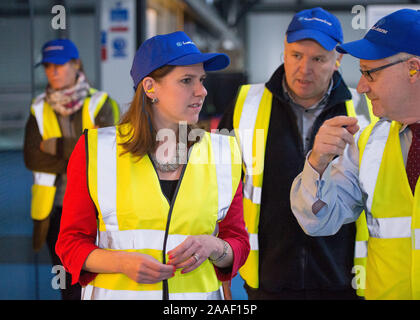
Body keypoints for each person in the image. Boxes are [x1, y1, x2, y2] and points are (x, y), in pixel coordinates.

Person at [55, 31, 250, 300]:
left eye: (202, 80)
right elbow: (70, 244)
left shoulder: (223, 152)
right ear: (149, 87)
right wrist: (121, 263)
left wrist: (215, 247)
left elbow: (238, 243)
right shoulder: (95, 151)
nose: (202, 91)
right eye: (186, 80)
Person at [218, 7, 376, 300]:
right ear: (284, 51)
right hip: (266, 279)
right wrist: (221, 270)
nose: (304, 69)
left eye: (318, 59)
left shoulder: (366, 111)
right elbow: (217, 192)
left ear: (338, 59)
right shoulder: (244, 105)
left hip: (343, 280)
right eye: (296, 56)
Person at [290, 8, 420, 300]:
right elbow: (318, 221)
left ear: (413, 68)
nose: (360, 87)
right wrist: (318, 164)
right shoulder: (368, 143)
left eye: (369, 73)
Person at [23, 38, 120, 300]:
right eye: (47, 66)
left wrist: (54, 145)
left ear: (76, 64)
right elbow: (32, 157)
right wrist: (81, 150)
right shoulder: (38, 108)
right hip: (54, 211)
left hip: (96, 208)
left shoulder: (101, 103)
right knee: (69, 284)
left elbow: (107, 153)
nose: (52, 71)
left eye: (59, 65)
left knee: (98, 279)